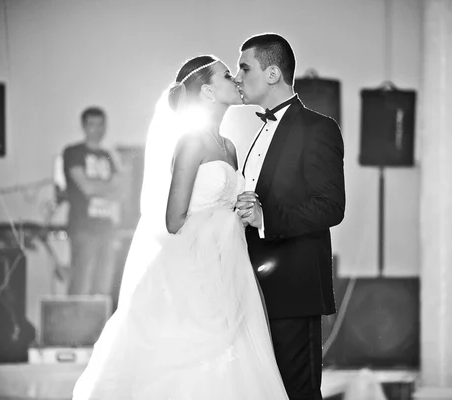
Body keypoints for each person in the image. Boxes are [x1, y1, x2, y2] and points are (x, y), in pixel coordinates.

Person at [72, 55, 289, 399]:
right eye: (226, 75)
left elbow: (225, 203)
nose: (235, 79)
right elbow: (174, 219)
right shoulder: (192, 141)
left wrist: (244, 212)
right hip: (193, 268)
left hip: (230, 265)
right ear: (206, 91)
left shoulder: (229, 146)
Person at [233, 33, 346, 400]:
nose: (238, 76)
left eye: (244, 67)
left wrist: (266, 218)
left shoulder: (318, 128)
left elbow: (331, 206)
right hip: (252, 288)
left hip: (293, 290)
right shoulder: (255, 129)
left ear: (271, 74)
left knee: (297, 393)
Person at [62, 107, 125, 298]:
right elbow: (86, 187)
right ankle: (75, 327)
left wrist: (100, 187)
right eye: (91, 124)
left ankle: (99, 328)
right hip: (83, 227)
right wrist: (108, 186)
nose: (96, 129)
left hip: (107, 228)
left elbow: (121, 190)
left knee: (104, 287)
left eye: (100, 124)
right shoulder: (73, 152)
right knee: (81, 283)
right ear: (84, 126)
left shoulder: (108, 156)